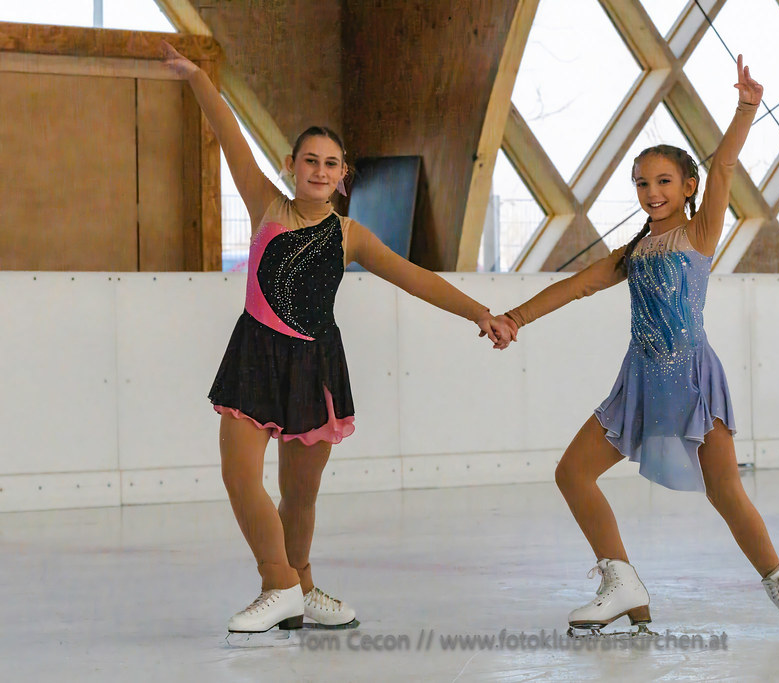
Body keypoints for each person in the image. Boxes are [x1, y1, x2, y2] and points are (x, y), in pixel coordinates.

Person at [160, 41, 514, 634]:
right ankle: (277, 583)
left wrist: (480, 313)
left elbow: (416, 277)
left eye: (331, 164)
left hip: (314, 364)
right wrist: (197, 76)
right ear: (291, 165)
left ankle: (300, 584)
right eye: (310, 161)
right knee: (239, 475)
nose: (320, 171)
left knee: (299, 493)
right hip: (255, 355)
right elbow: (228, 134)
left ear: (343, 176)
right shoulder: (266, 205)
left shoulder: (351, 235)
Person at [493, 56, 779, 633]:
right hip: (639, 382)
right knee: (572, 473)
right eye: (642, 183)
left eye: (663, 181)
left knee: (725, 492)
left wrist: (746, 108)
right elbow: (577, 286)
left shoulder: (698, 233)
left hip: (692, 379)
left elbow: (724, 164)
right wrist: (514, 318)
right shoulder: (632, 252)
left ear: (688, 187)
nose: (651, 192)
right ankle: (622, 583)